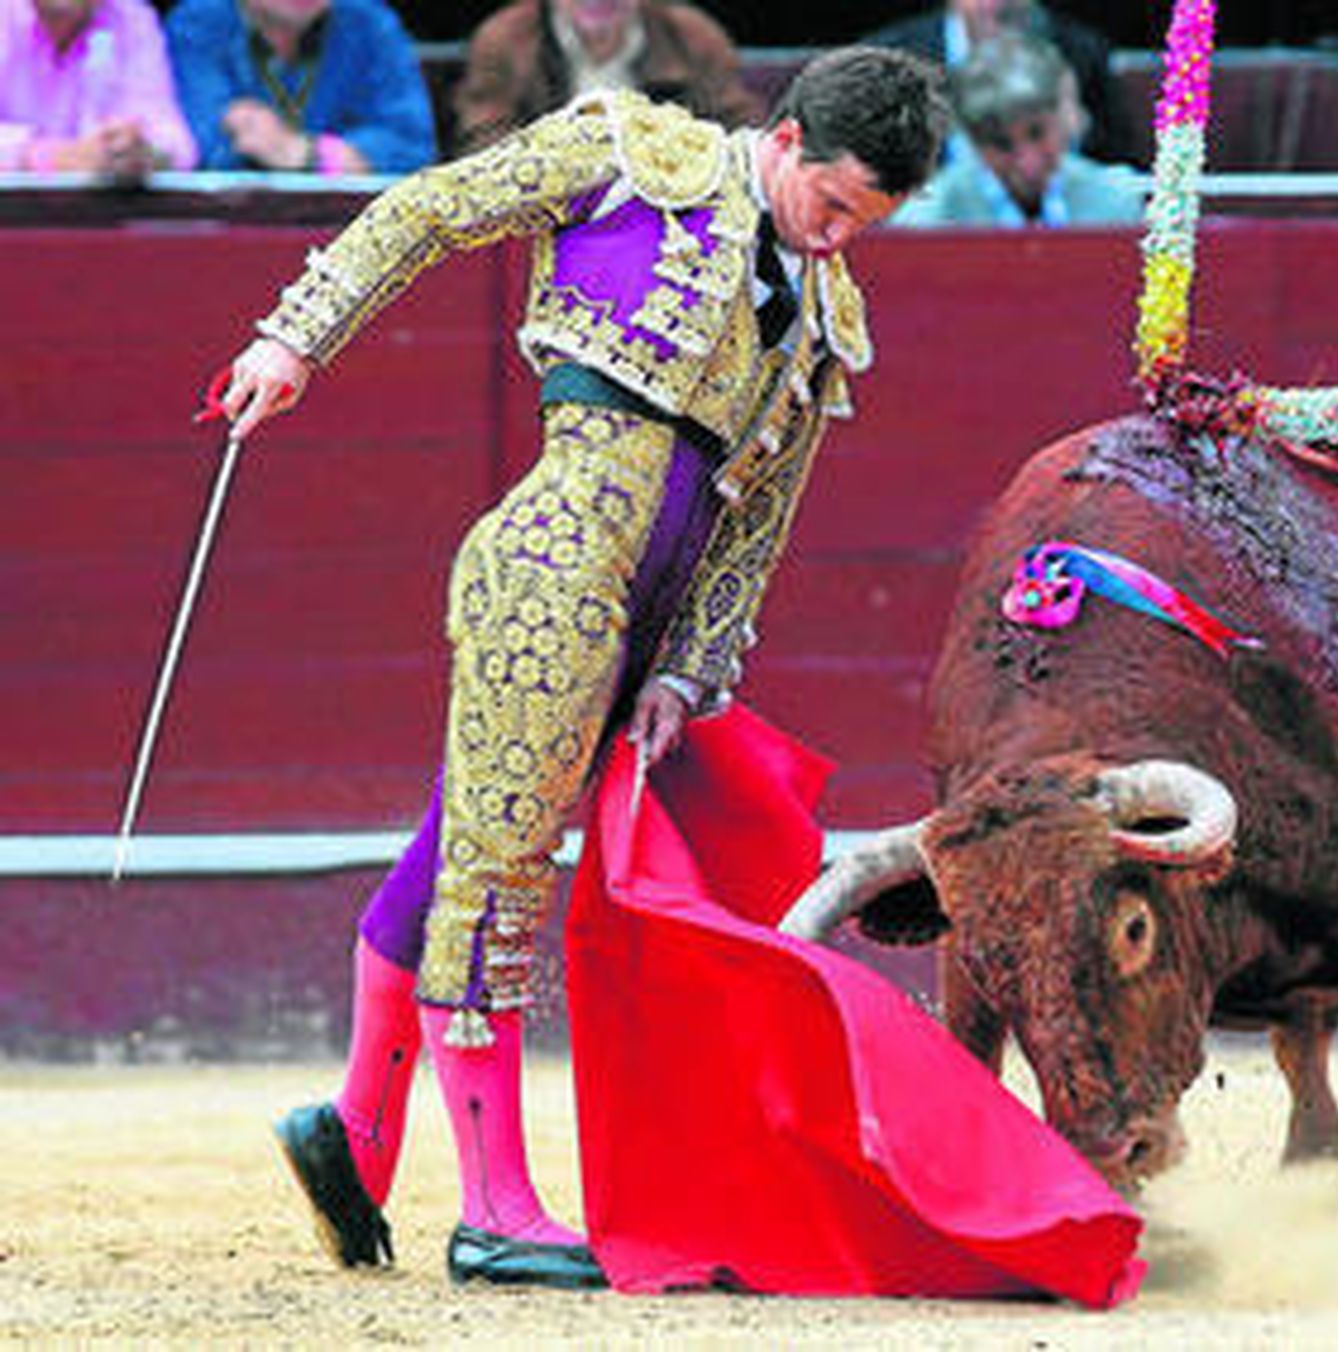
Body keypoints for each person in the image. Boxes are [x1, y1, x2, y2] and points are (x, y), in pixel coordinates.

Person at [216, 46, 948, 1285]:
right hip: (552, 567)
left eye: (861, 225)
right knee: (497, 872)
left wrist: (687, 669)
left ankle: (355, 1129)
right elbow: (432, 206)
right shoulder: (633, 153)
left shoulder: (826, 312)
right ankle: (493, 1204)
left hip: (641, 618)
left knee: (461, 842)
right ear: (784, 141)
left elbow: (758, 513)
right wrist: (297, 337)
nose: (834, 240)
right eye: (828, 205)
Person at [450, 0, 760, 158]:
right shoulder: (504, 39)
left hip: (666, 211)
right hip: (546, 212)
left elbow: (739, 133)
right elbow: (482, 139)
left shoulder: (693, 36)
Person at [892, 31, 1142, 228]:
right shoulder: (925, 222)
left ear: (1065, 117)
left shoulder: (1122, 204)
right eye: (1001, 144)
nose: (1027, 162)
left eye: (1038, 134)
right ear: (971, 142)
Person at [165, 0, 435, 174]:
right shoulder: (195, 23)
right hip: (229, 226)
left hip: (350, 225)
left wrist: (309, 153)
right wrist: (351, 159)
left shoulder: (370, 22)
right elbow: (192, 150)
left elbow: (413, 147)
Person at [863, 0, 1129, 164]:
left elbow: (1115, 162)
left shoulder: (1080, 53)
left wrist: (1075, 136)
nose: (998, 4)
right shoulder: (890, 62)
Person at [0, 0, 196, 175]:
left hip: (98, 202)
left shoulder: (132, 19)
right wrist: (47, 157)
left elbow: (175, 144)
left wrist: (141, 154)